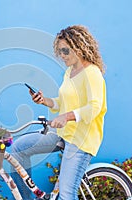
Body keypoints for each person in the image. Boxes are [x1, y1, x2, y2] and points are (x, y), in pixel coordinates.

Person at [11, 25, 107, 200]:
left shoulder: (92, 73)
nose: (62, 56)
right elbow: (62, 102)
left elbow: (95, 107)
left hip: (81, 140)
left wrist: (67, 116)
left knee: (66, 195)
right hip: (64, 135)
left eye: (65, 51)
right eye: (59, 51)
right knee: (18, 150)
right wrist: (45, 100)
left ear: (78, 47)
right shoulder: (70, 72)